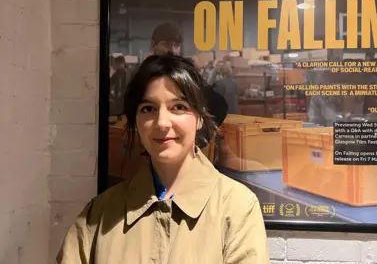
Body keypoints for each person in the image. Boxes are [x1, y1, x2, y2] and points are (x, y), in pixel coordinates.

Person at [56, 54, 270, 264]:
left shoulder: (236, 208)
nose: (161, 123)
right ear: (136, 121)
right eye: (148, 109)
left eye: (179, 107)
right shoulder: (99, 214)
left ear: (199, 119)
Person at [150, 22, 229, 149]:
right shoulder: (145, 74)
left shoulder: (186, 73)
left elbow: (219, 105)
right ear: (153, 45)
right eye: (166, 44)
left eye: (176, 45)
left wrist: (199, 139)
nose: (172, 50)